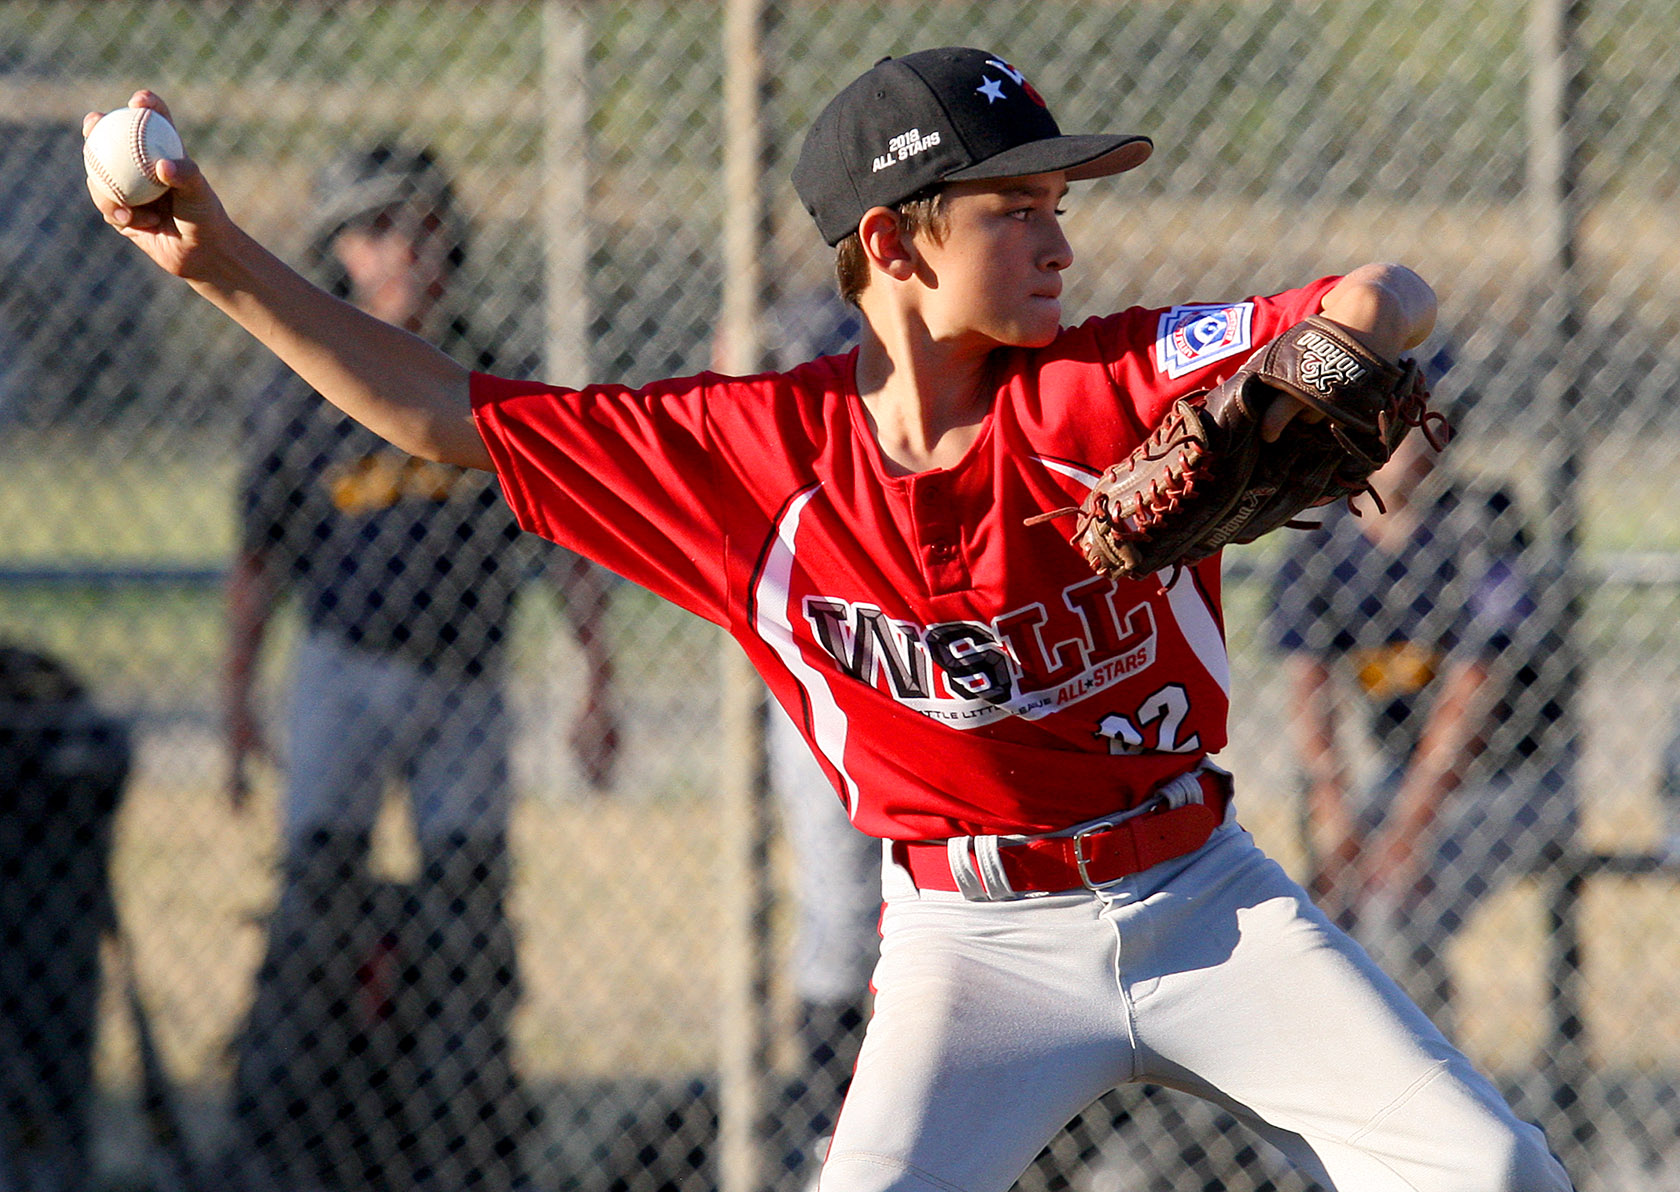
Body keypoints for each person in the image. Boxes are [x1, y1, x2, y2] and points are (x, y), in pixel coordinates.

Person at [88, 44, 1574, 1191]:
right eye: (1016, 209)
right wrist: (217, 258)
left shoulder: (1109, 384)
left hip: (1203, 893)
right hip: (970, 946)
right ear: (897, 244)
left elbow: (1386, 296)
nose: (1060, 239)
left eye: (1063, 206)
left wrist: (1317, 364)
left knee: (1496, 1169)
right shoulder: (752, 457)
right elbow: (437, 411)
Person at [220, 144, 620, 1191]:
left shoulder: (482, 377)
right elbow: (258, 558)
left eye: (424, 226)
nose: (406, 249)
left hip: (466, 686)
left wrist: (597, 680)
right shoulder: (302, 385)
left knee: (468, 915)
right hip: (341, 672)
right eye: (376, 230)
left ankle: (464, 1150)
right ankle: (291, 1151)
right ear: (336, 253)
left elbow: (562, 551)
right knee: (318, 901)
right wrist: (235, 700)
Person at [1268, 392, 1577, 1030]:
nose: (1417, 441)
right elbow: (1309, 680)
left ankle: (1434, 1094)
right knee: (1321, 915)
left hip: (1517, 779)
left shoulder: (1480, 521)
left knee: (1396, 912)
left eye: (1431, 424)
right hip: (1400, 775)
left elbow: (1475, 687)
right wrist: (1335, 814)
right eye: (1393, 423)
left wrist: (1406, 835)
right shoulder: (1326, 530)